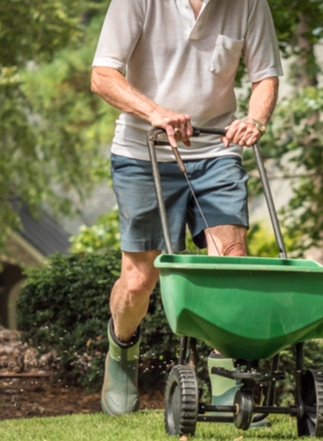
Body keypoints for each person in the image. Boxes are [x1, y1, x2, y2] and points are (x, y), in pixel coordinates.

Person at [90, 0, 283, 416]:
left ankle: (228, 378)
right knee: (140, 279)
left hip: (217, 149)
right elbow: (103, 76)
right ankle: (122, 349)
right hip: (144, 151)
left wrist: (255, 119)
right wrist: (155, 112)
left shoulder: (248, 4)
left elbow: (265, 75)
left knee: (230, 264)